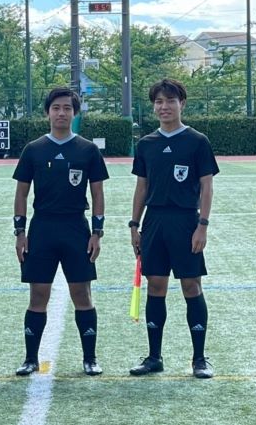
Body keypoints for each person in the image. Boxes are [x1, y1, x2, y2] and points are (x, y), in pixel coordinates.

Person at [12, 87, 109, 377]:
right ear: (48, 113)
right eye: (56, 108)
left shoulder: (87, 150)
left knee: (82, 293)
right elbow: (21, 193)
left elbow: (98, 193)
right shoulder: (34, 149)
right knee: (38, 294)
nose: (61, 113)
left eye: (67, 108)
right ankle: (30, 359)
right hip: (42, 228)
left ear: (74, 113)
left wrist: (97, 232)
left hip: (76, 227)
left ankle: (90, 358)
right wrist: (20, 231)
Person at [128, 78, 219, 379]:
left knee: (191, 285)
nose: (164, 106)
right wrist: (134, 224)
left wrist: (202, 225)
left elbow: (207, 187)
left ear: (182, 104)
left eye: (170, 100)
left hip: (185, 221)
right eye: (159, 101)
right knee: (156, 286)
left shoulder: (197, 141)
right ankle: (154, 357)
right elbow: (142, 187)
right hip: (154, 221)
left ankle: (199, 359)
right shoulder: (146, 144)